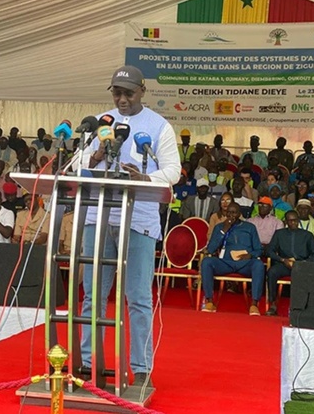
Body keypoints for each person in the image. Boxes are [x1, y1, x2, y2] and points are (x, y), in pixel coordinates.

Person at [79, 65, 179, 387]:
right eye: (116, 93)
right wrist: (91, 160)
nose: (121, 100)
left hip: (139, 220)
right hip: (98, 215)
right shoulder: (101, 122)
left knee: (137, 297)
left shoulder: (159, 127)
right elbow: (76, 164)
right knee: (93, 296)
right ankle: (86, 365)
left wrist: (144, 178)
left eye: (128, 93)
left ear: (142, 91)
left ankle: (141, 369)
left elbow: (173, 171)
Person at [200, 202, 265, 315]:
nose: (231, 216)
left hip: (245, 263)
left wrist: (250, 255)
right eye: (228, 213)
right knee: (206, 262)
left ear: (239, 214)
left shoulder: (249, 227)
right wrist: (224, 230)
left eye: (234, 213)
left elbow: (259, 249)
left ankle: (254, 304)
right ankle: (209, 301)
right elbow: (211, 249)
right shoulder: (220, 227)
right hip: (226, 263)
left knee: (258, 264)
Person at [265, 210, 314, 316]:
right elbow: (269, 250)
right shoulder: (279, 234)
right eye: (290, 221)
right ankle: (273, 304)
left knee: (311, 275)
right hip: (284, 264)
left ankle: (304, 307)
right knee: (272, 272)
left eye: (295, 220)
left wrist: (304, 262)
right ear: (286, 222)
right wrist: (282, 260)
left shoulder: (307, 235)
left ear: (298, 221)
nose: (293, 223)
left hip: (302, 265)